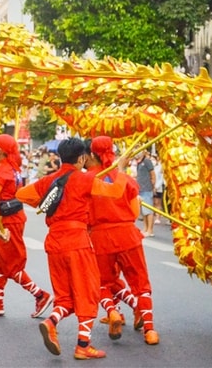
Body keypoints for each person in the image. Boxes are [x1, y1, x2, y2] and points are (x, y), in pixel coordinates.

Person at [15, 137, 126, 361]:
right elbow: (115, 192)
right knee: (87, 293)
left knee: (65, 296)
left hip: (54, 242)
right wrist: (121, 170)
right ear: (82, 158)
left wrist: (47, 201)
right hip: (77, 241)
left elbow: (21, 195)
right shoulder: (84, 179)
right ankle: (83, 345)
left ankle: (51, 321)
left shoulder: (49, 180)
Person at [86, 136, 159, 346]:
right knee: (141, 283)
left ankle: (112, 311)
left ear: (92, 155)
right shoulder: (125, 179)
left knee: (102, 282)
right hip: (128, 234)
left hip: (100, 237)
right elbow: (136, 210)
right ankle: (150, 330)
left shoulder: (88, 179)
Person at [0, 134, 52, 319]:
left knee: (11, 264)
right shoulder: (14, 169)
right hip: (14, 219)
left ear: (1, 151)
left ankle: (40, 295)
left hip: (6, 223)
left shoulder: (1, 172)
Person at [135, 149, 156, 237]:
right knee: (143, 211)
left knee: (148, 211)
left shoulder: (147, 161)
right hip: (140, 189)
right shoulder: (138, 163)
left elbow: (153, 174)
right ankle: (145, 227)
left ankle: (150, 230)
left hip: (147, 188)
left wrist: (153, 185)